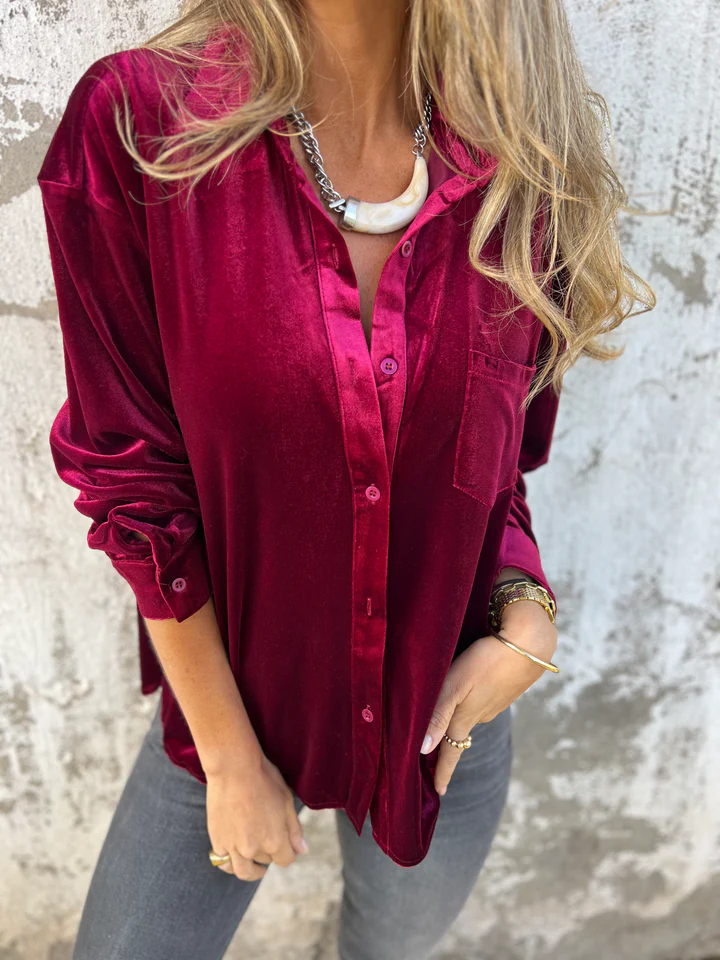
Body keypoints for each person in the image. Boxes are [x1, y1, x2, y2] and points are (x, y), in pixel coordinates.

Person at [37, 1, 655, 957]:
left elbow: (494, 474)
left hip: (444, 727)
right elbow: (134, 479)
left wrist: (526, 610)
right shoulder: (142, 127)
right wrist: (229, 759)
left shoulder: (524, 160)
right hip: (230, 710)